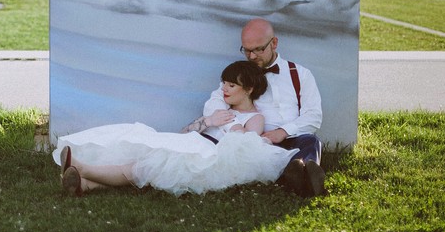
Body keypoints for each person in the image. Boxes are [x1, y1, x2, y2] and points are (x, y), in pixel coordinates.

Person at [55, 61, 298, 196]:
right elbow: (185, 132)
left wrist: (236, 129)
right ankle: (86, 184)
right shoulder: (219, 109)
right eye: (223, 83)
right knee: (142, 147)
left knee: (144, 165)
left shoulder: (253, 118)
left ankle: (82, 167)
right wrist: (210, 121)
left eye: (231, 85)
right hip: (192, 142)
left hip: (209, 156)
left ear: (249, 90)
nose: (224, 89)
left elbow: (248, 148)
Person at [203, 18, 325, 197]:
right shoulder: (240, 74)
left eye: (258, 50)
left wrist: (283, 132)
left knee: (312, 142)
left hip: (292, 137)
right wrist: (236, 128)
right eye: (247, 50)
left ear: (274, 43)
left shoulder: (300, 74)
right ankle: (301, 178)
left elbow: (314, 115)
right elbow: (214, 104)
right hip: (258, 143)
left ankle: (301, 170)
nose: (252, 57)